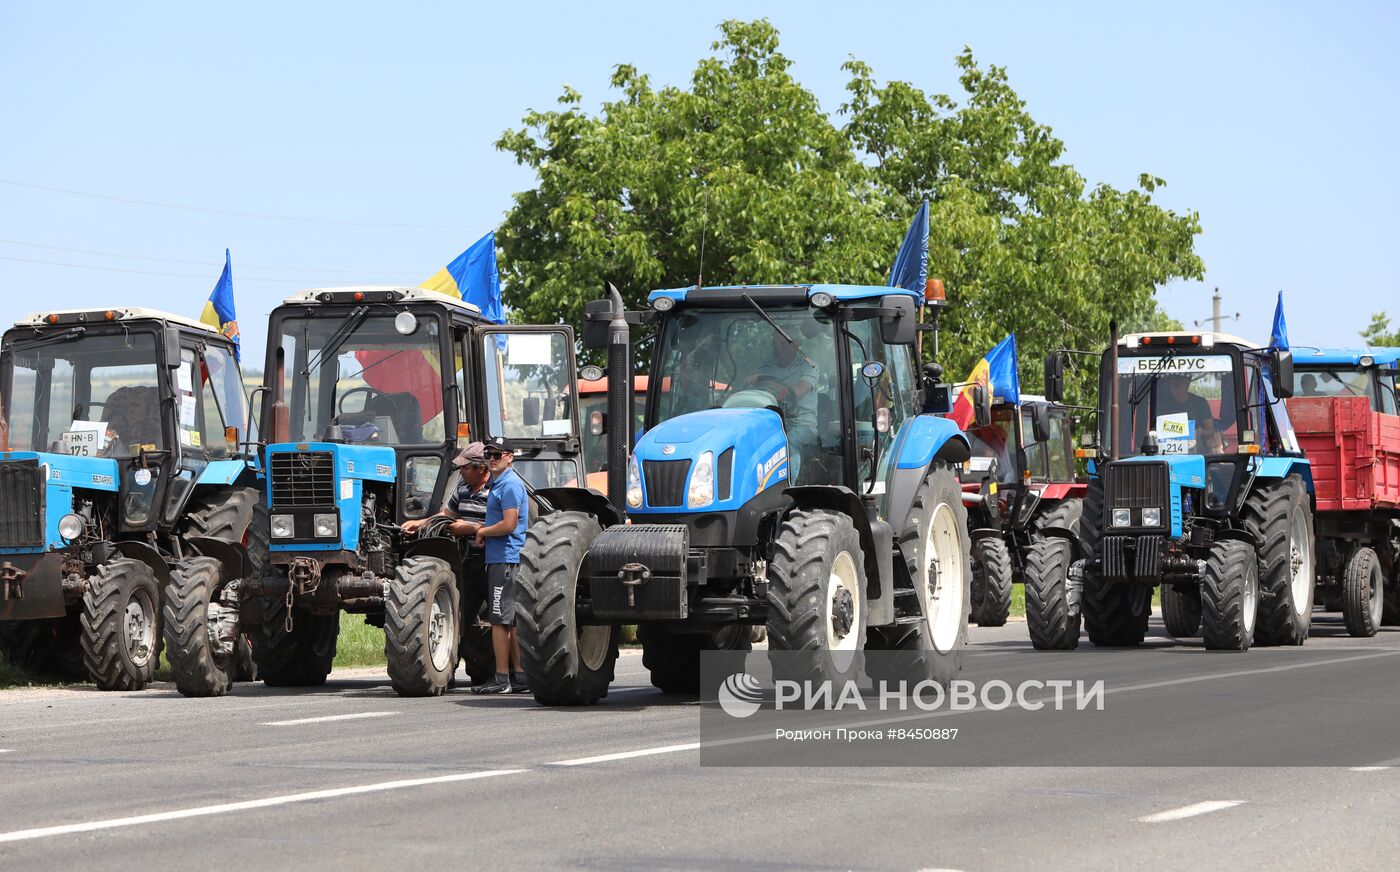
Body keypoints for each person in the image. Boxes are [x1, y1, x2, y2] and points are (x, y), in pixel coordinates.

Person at [471, 437, 530, 694]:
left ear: (510, 457)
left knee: (499, 621)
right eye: (488, 455)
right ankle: (520, 676)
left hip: (504, 559)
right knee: (512, 621)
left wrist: (482, 531)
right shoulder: (501, 483)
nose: (491, 459)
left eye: (497, 455)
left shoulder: (510, 486)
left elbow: (509, 524)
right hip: (505, 558)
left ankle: (501, 678)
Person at [1156, 373, 1222, 454]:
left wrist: (1196, 432)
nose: (1173, 388)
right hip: (1167, 452)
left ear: (1187, 385)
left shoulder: (1200, 403)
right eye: (1171, 385)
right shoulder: (1163, 405)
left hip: (1196, 450)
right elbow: (1156, 430)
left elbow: (1210, 430)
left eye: (1177, 385)